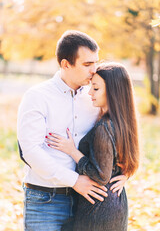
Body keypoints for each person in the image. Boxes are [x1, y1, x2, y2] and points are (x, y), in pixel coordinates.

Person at [17, 30, 127, 231]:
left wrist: (128, 171)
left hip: (88, 202)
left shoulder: (95, 95)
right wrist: (74, 181)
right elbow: (30, 151)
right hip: (45, 200)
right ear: (65, 64)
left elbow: (121, 132)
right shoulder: (37, 96)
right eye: (87, 64)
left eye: (95, 62)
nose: (94, 70)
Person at [46, 62, 140, 231]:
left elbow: (101, 175)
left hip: (99, 209)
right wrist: (125, 174)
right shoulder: (122, 122)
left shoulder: (104, 127)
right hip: (117, 203)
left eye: (96, 89)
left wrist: (72, 151)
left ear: (113, 92)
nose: (90, 93)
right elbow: (129, 159)